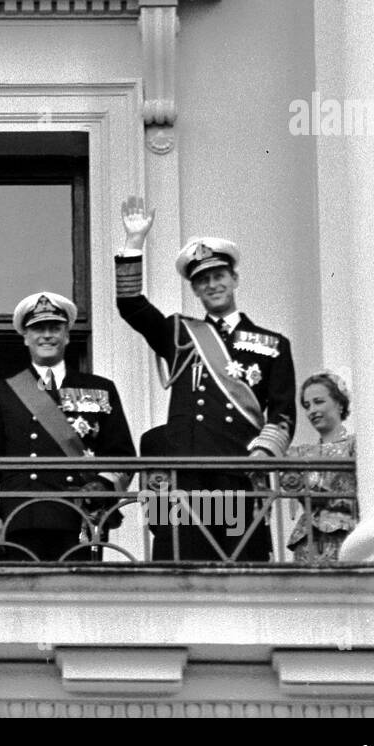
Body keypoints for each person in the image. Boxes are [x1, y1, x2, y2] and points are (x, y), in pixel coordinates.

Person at [116, 196, 295, 562]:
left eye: (218, 276)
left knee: (242, 570)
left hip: (236, 473)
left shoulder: (273, 344)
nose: (212, 285)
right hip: (183, 479)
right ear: (195, 290)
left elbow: (282, 413)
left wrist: (261, 455)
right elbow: (131, 306)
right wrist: (134, 243)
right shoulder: (180, 334)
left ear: (234, 279)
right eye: (203, 281)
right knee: (179, 570)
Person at [0, 291, 136, 561]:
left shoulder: (101, 389)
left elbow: (122, 456)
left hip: (79, 517)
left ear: (67, 335)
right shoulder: (2, 392)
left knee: (77, 600)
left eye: (54, 328)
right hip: (21, 517)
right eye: (38, 329)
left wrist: (102, 489)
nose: (46, 335)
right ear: (26, 337)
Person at [286, 372, 357, 563]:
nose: (312, 410)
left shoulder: (356, 446)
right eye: (307, 406)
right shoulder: (299, 453)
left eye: (318, 401)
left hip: (345, 536)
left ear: (339, 404)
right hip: (307, 542)